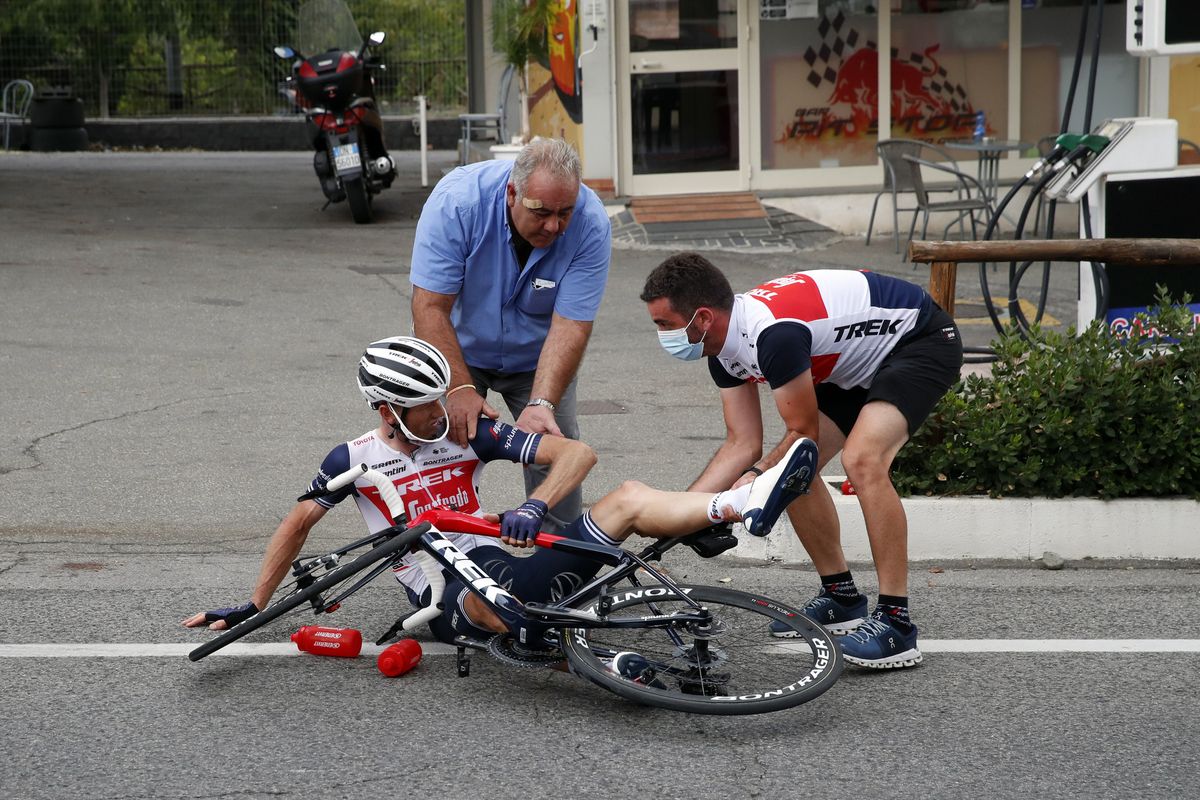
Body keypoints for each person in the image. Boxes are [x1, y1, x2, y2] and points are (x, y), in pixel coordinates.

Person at [184, 335, 809, 654]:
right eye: (422, 408)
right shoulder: (352, 460)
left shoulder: (469, 432)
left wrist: (535, 504)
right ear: (386, 409)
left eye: (439, 400)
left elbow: (577, 454)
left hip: (515, 548)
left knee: (628, 498)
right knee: (489, 605)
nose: (438, 416)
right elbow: (296, 527)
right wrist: (252, 603)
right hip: (450, 588)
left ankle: (738, 503)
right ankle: (583, 656)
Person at [640, 254, 964, 670]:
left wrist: (754, 479)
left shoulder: (773, 335)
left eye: (664, 325)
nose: (662, 336)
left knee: (862, 461)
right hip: (855, 360)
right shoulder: (721, 347)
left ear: (702, 317)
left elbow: (801, 435)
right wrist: (679, 512)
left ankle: (897, 625)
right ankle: (842, 598)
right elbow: (741, 443)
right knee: (795, 470)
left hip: (918, 340)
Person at [409, 136, 611, 534]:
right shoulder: (457, 203)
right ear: (512, 192)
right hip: (458, 351)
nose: (554, 225)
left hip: (538, 358)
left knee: (554, 446)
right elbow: (429, 307)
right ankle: (435, 549)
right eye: (542, 212)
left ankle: (560, 561)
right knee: (435, 445)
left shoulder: (590, 222)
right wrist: (458, 389)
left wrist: (542, 402)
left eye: (564, 212)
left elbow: (570, 323)